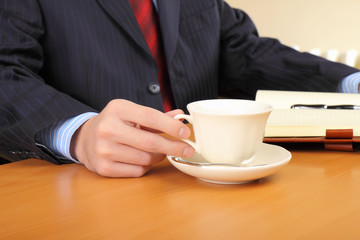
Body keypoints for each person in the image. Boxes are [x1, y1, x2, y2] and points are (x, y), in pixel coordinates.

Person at [1, 0, 359, 177]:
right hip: (83, 192)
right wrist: (79, 131)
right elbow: (5, 70)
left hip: (204, 183)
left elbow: (243, 50)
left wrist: (351, 82)